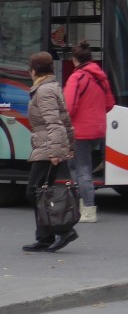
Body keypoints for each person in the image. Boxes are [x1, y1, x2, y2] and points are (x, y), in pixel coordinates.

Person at [24, 51, 79, 253]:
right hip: (50, 146)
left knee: (34, 192)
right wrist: (70, 147)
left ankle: (63, 230)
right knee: (42, 192)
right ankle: (45, 237)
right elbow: (66, 121)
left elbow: (55, 123)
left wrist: (57, 152)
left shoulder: (44, 91)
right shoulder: (51, 87)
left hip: (48, 147)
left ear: (34, 71)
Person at [63, 41, 114, 224]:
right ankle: (83, 204)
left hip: (80, 131)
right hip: (98, 130)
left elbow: (69, 106)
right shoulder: (101, 77)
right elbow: (109, 104)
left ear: (74, 59)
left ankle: (88, 209)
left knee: (81, 169)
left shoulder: (76, 78)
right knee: (79, 166)